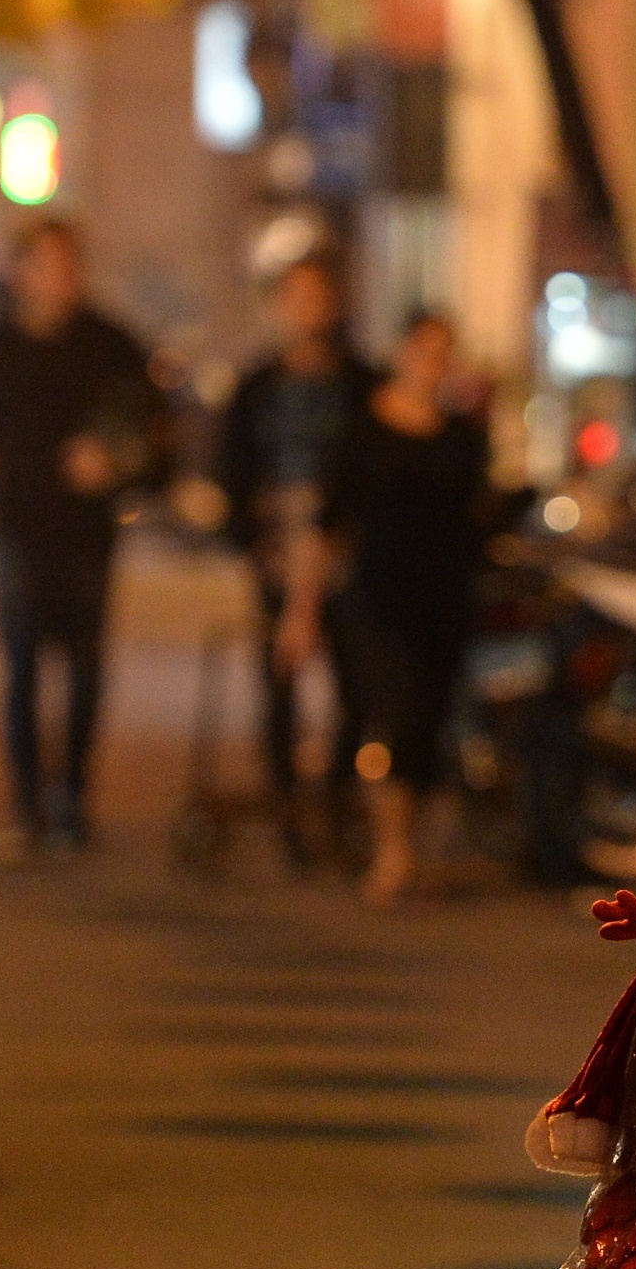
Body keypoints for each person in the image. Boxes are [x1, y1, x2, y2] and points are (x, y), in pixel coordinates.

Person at [0, 220, 164, 857]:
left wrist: (113, 458)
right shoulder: (0, 349)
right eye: (47, 265)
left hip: (88, 535)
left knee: (85, 668)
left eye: (70, 264)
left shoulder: (109, 343)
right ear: (22, 272)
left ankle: (72, 800)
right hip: (18, 531)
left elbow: (156, 427)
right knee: (20, 669)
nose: (61, 278)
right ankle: (26, 807)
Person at [296, 309, 489, 906]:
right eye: (424, 351)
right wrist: (301, 611)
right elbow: (325, 527)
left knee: (429, 723)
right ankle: (391, 852)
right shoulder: (363, 432)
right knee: (389, 719)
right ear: (402, 353)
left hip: (445, 602)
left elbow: (478, 518)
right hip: (377, 601)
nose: (433, 365)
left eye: (444, 353)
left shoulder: (463, 438)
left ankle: (410, 848)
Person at [214, 254, 378, 868]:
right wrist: (252, 543)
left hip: (345, 554)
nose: (307, 308)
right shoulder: (257, 386)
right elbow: (231, 469)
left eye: (318, 294)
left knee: (355, 683)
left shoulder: (361, 383)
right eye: (295, 296)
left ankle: (336, 800)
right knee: (278, 683)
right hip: (277, 550)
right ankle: (287, 813)